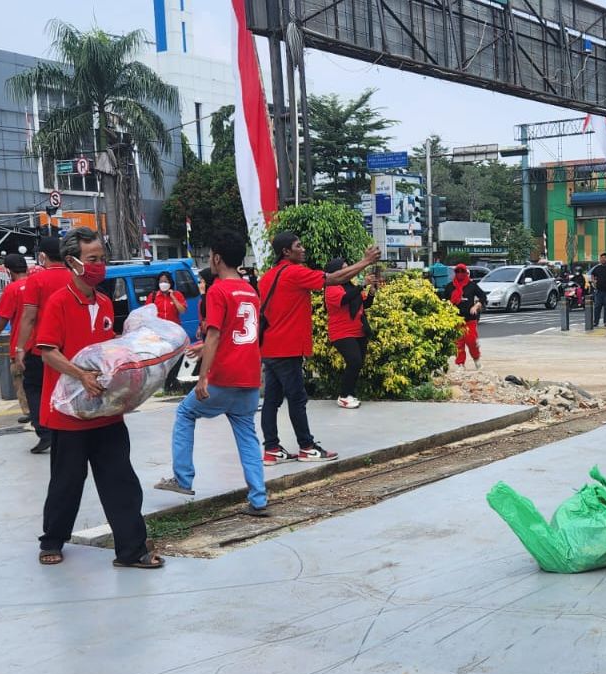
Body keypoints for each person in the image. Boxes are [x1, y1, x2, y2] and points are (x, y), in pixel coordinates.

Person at [33, 227, 161, 569]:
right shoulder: (60, 301)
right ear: (73, 262)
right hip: (68, 413)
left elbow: (106, 351)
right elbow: (47, 351)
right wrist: (81, 375)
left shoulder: (104, 301)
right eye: (92, 259)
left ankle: (132, 550)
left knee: (121, 480)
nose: (99, 265)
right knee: (67, 481)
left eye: (102, 259)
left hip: (106, 410)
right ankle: (52, 539)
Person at [155, 230, 269, 516]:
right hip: (249, 377)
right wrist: (202, 347)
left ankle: (183, 478)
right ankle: (258, 498)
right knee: (247, 436)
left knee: (185, 413)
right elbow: (237, 334)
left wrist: (203, 377)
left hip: (224, 376)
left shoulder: (218, 290)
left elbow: (217, 335)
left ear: (216, 258)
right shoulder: (250, 291)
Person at [257, 231, 381, 465]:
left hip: (270, 348)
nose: (303, 249)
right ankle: (306, 447)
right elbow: (333, 279)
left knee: (272, 401)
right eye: (298, 245)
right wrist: (365, 262)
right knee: (297, 398)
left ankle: (271, 448)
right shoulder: (294, 273)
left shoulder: (267, 277)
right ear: (286, 251)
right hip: (288, 348)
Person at [17, 236, 68, 454]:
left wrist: (20, 348)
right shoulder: (74, 277)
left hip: (42, 346)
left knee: (34, 388)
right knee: (65, 388)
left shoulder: (36, 280)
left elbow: (28, 317)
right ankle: (67, 430)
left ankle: (45, 432)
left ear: (43, 256)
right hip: (69, 346)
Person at [324, 257, 377, 408]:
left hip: (359, 330)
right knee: (354, 361)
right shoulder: (332, 287)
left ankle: (350, 394)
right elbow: (344, 300)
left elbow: (365, 304)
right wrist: (362, 285)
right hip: (341, 332)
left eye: (348, 268)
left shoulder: (350, 285)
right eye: (344, 268)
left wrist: (371, 291)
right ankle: (343, 396)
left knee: (357, 364)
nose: (348, 271)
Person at [0, 254, 32, 422]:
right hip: (40, 342)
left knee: (19, 379)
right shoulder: (36, 283)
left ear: (8, 271)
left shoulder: (12, 289)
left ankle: (29, 411)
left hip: (20, 344)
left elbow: (3, 317)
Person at [443, 263, 487, 369]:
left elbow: (483, 297)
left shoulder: (472, 285)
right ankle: (460, 364)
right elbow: (444, 301)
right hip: (456, 320)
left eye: (462, 271)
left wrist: (476, 306)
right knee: (458, 343)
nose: (460, 274)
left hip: (469, 320)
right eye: (457, 271)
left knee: (471, 341)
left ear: (466, 273)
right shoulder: (450, 286)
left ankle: (476, 359)